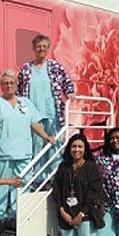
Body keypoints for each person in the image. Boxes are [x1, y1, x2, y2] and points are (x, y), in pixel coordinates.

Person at [0, 70, 55, 223]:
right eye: (5, 83)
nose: (8, 86)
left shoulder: (25, 103)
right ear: (1, 86)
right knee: (1, 189)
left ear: (16, 85)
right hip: (2, 155)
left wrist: (46, 137)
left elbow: (34, 123)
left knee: (23, 187)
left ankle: (19, 217)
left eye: (11, 83)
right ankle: (0, 219)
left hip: (24, 155)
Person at [18, 34, 75, 184]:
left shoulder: (55, 67)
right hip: (32, 113)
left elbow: (66, 81)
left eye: (44, 46)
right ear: (33, 48)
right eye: (38, 46)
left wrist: (69, 91)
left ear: (48, 48)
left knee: (53, 146)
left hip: (51, 112)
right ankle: (35, 179)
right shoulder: (26, 69)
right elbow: (18, 90)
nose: (41, 49)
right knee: (35, 147)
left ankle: (53, 178)